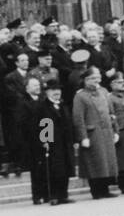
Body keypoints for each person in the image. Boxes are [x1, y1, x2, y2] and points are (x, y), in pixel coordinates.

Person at [72, 65, 118, 199]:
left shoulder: (104, 92)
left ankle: (105, 189)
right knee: (95, 162)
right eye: (92, 78)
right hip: (92, 133)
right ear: (86, 80)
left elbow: (111, 113)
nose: (96, 80)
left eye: (97, 77)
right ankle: (97, 191)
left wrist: (115, 130)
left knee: (106, 161)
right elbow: (78, 118)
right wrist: (83, 137)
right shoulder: (80, 96)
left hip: (106, 132)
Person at [34, 77, 74, 205]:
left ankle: (64, 194)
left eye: (58, 90)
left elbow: (69, 123)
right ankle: (54, 195)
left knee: (65, 168)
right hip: (52, 142)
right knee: (54, 169)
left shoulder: (63, 105)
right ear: (47, 92)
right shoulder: (43, 106)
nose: (57, 92)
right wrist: (45, 141)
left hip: (65, 142)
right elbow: (43, 124)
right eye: (53, 90)